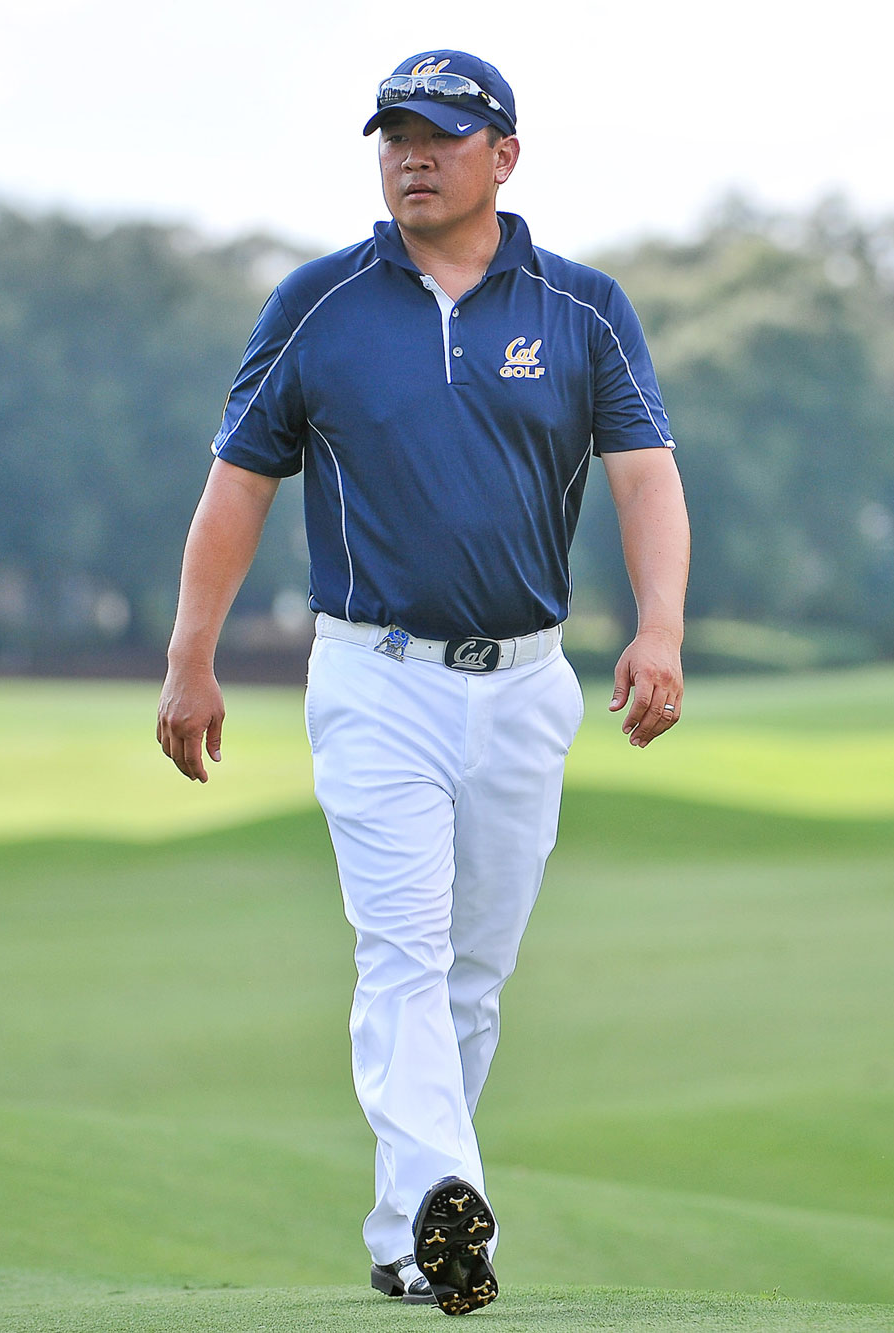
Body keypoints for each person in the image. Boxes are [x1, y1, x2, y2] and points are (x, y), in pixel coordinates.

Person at [154, 48, 688, 1316]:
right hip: (373, 675)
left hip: (523, 683)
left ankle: (409, 1237)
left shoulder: (582, 307)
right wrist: (189, 656)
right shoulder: (316, 304)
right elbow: (238, 486)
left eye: (441, 135)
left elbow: (646, 476)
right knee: (400, 951)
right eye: (395, 133)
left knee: (469, 979)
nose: (411, 155)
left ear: (502, 156)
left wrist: (659, 629)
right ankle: (457, 1194)